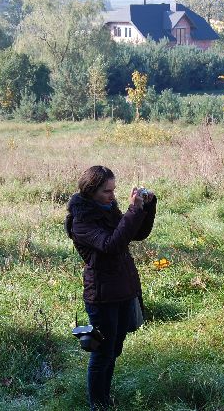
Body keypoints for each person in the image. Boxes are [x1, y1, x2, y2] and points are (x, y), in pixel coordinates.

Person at [64, 165, 157, 411]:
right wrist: (132, 209)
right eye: (107, 191)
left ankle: (104, 399)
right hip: (102, 295)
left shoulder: (107, 209)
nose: (112, 196)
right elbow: (112, 244)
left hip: (122, 289)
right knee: (102, 353)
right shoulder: (81, 221)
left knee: (114, 348)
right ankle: (98, 405)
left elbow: (135, 234)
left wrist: (146, 206)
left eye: (114, 190)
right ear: (91, 191)